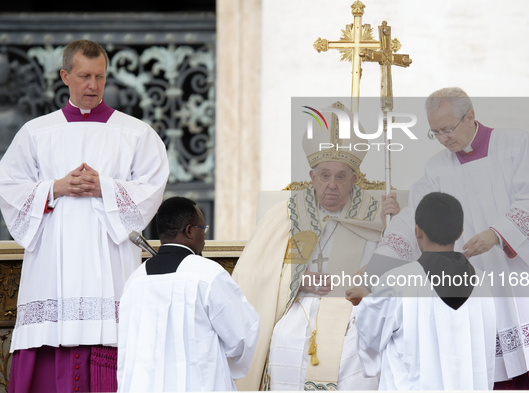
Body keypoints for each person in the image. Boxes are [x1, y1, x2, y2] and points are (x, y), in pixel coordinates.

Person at [378, 87, 529, 389]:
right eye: (435, 133)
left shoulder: (515, 144)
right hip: (486, 285)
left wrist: (497, 234)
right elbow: (417, 215)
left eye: (447, 129)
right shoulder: (437, 168)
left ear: (471, 117)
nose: (443, 139)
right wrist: (382, 262)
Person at [0, 40, 169, 392]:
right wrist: (55, 188)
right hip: (52, 265)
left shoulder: (136, 133)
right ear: (65, 76)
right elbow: (9, 187)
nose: (93, 85)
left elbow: (151, 188)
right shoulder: (36, 132)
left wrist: (103, 187)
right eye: (84, 76)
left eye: (100, 77)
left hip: (109, 260)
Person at [231, 101, 400, 391]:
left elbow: (395, 268)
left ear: (353, 180)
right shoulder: (289, 213)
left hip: (356, 308)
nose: (331, 185)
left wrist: (397, 227)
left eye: (340, 176)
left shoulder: (378, 214)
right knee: (285, 338)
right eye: (324, 176)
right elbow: (255, 274)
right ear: (312, 177)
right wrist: (298, 281)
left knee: (358, 348)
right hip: (300, 305)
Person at [356, 191, 497, 390]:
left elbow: (370, 338)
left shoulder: (396, 281)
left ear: (417, 231)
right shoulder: (483, 282)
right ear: (459, 232)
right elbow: (486, 346)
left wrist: (368, 300)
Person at [117, 197, 260, 391]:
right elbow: (243, 334)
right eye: (203, 230)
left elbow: (127, 349)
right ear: (190, 231)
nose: (204, 237)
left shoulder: (135, 280)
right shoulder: (207, 274)